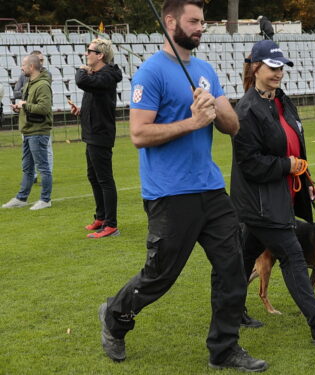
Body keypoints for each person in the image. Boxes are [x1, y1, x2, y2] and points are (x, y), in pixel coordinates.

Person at [98, 0, 267, 372]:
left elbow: (232, 126)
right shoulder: (151, 73)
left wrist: (214, 106)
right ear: (169, 21)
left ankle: (223, 350)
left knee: (232, 267)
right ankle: (114, 314)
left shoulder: (204, 69)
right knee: (160, 275)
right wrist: (191, 123)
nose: (200, 27)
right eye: (194, 21)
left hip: (209, 188)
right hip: (169, 193)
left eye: (203, 22)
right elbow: (139, 134)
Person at [231, 39, 315, 347]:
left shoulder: (282, 101)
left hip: (281, 195)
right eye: (272, 68)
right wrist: (288, 165)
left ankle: (231, 309)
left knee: (245, 255)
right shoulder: (245, 110)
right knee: (292, 254)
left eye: (281, 67)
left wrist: (306, 177)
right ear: (256, 68)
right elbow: (251, 165)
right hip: (259, 202)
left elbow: (295, 148)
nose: (278, 73)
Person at [70, 38, 123, 238]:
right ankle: (101, 217)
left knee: (105, 179)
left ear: (100, 55)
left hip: (100, 134)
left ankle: (111, 225)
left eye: (89, 51)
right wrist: (82, 111)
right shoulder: (100, 75)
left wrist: (81, 69)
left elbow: (81, 81)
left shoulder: (107, 75)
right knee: (93, 177)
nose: (86, 54)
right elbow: (97, 102)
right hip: (92, 132)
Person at [2, 54, 53, 210]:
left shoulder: (42, 85)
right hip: (29, 131)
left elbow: (44, 109)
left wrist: (24, 105)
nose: (21, 67)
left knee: (42, 167)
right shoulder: (31, 83)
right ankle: (22, 198)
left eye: (23, 65)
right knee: (27, 167)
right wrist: (21, 107)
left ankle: (45, 199)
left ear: (31, 67)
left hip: (38, 131)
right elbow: (31, 106)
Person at [14, 50, 54, 180]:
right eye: (39, 60)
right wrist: (23, 99)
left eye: (42, 60)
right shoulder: (23, 76)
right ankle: (34, 178)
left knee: (46, 150)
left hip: (40, 122)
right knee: (28, 158)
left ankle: (46, 177)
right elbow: (16, 92)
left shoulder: (46, 75)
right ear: (32, 63)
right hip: (27, 121)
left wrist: (26, 100)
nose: (41, 63)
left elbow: (43, 101)